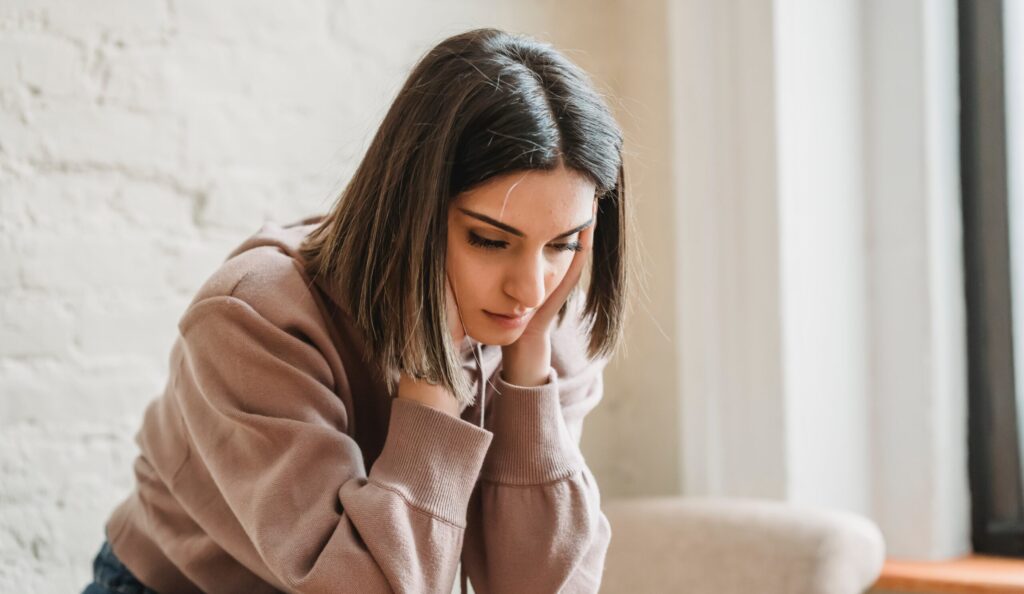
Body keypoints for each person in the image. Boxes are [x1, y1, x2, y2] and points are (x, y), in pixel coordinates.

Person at [82, 27, 630, 594]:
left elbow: (539, 587)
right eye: (490, 240)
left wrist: (529, 377)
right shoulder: (253, 319)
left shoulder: (548, 330)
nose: (532, 288)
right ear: (409, 206)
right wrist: (432, 389)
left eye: (563, 243)